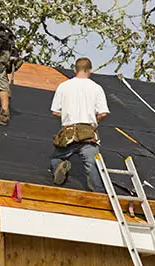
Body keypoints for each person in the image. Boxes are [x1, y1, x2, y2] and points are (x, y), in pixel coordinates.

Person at [49, 58, 109, 192]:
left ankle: (60, 164)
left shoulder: (64, 86)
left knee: (55, 158)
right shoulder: (96, 88)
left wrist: (66, 116)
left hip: (68, 131)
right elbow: (103, 113)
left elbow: (55, 111)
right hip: (88, 132)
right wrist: (95, 121)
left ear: (74, 70)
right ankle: (99, 193)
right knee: (92, 165)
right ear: (90, 70)